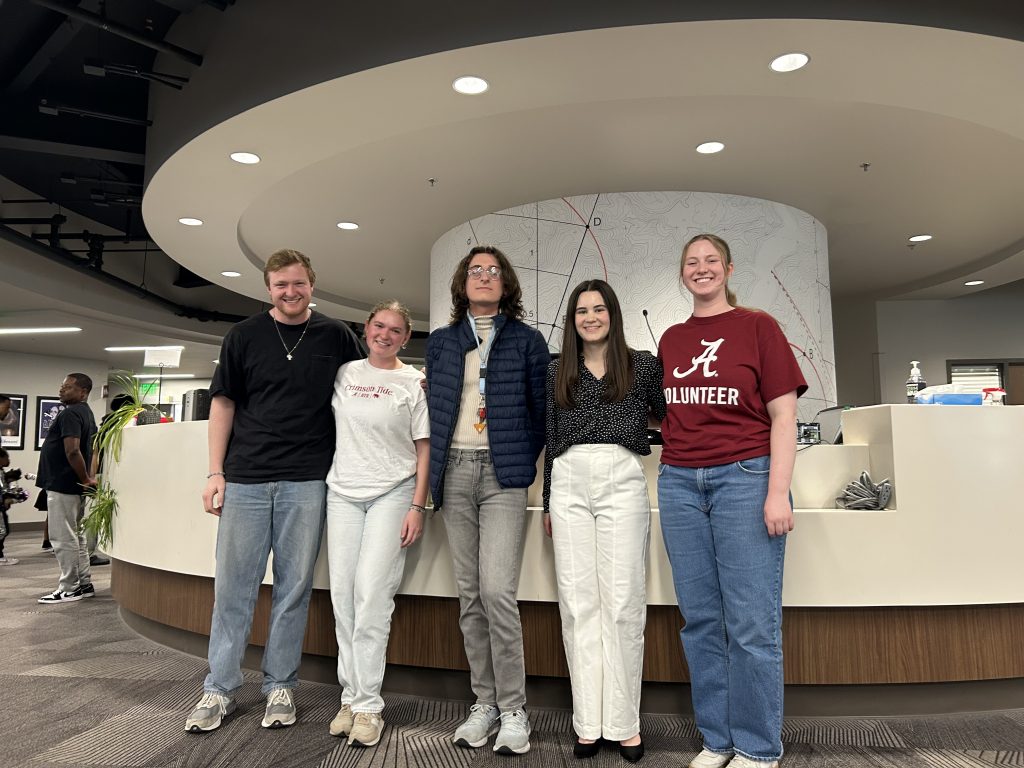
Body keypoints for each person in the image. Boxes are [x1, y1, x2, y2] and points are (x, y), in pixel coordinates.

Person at [185, 249, 363, 734]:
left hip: (307, 479)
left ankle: (280, 685)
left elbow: (363, 387)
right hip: (245, 478)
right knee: (233, 590)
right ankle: (219, 688)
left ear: (312, 285)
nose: (290, 292)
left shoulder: (335, 335)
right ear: (268, 288)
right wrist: (214, 473)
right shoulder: (243, 335)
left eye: (298, 283)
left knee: (293, 590)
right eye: (281, 284)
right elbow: (223, 404)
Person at [657, 234, 807, 768]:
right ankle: (717, 740)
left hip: (745, 477)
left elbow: (784, 417)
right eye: (692, 262)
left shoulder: (758, 326)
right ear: (682, 273)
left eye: (711, 261)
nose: (702, 269)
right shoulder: (672, 339)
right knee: (700, 620)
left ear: (728, 268)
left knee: (750, 624)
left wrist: (777, 492)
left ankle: (758, 748)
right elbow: (669, 413)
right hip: (678, 482)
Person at [425, 245, 549, 755]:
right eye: (475, 270)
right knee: (470, 595)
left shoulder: (527, 340)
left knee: (498, 592)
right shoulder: (442, 342)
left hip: (503, 478)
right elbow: (433, 408)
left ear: (506, 283)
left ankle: (515, 708)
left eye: (493, 271)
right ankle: (485, 703)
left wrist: (516, 456)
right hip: (453, 471)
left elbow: (541, 413)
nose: (484, 276)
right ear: (463, 282)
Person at [543, 279, 665, 762]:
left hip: (622, 475)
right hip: (568, 478)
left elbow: (667, 418)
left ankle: (623, 723)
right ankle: (587, 724)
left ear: (612, 314)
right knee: (578, 605)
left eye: (598, 309)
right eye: (581, 311)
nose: (590, 318)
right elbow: (551, 434)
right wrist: (549, 499)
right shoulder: (556, 369)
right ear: (572, 320)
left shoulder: (643, 365)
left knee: (622, 603)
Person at [325, 300, 429, 747]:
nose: (385, 335)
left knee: (372, 596)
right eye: (379, 326)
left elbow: (424, 448)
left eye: (395, 330)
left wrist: (418, 506)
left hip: (393, 493)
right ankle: (349, 698)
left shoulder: (413, 382)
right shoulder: (344, 374)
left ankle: (369, 705)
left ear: (406, 338)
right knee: (343, 598)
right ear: (366, 328)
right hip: (342, 494)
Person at [35, 373, 98, 603]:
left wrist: (85, 478)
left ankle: (69, 588)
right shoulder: (86, 412)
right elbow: (93, 450)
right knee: (76, 536)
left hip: (63, 484)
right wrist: (87, 478)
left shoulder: (71, 413)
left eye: (68, 387)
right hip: (72, 484)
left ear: (83, 392)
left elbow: (72, 450)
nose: (62, 390)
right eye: (62, 386)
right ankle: (83, 583)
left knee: (62, 538)